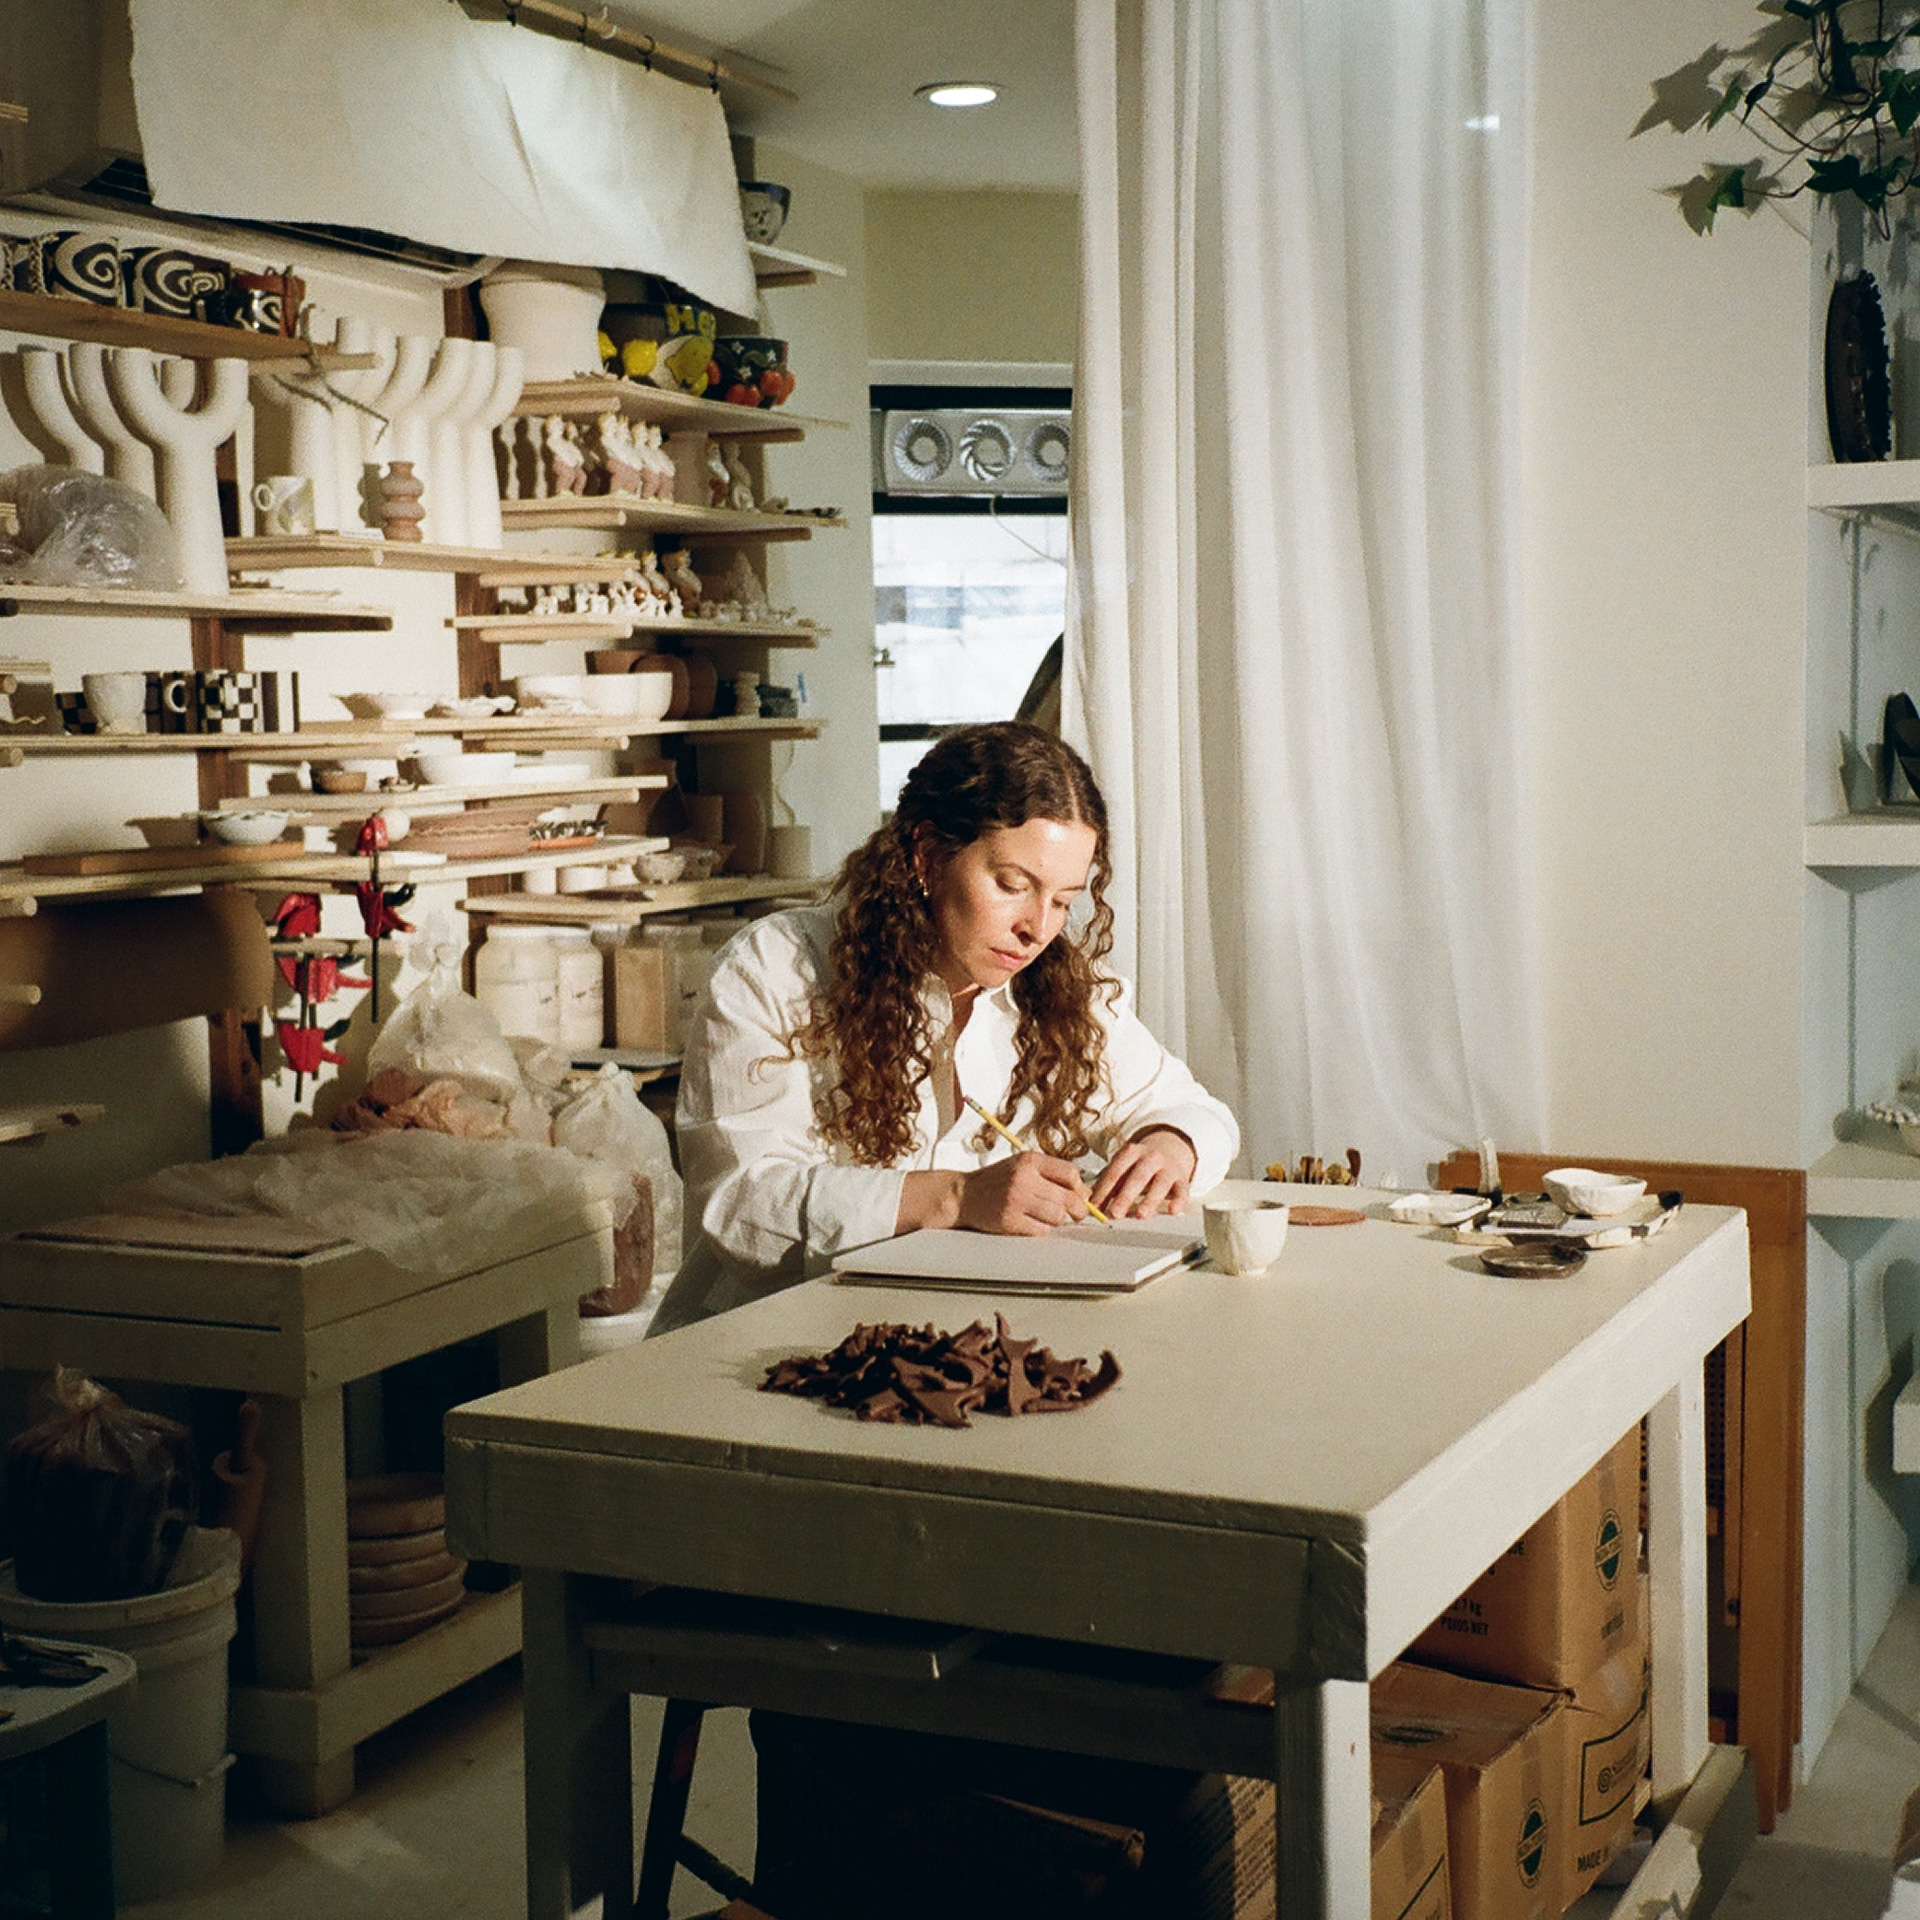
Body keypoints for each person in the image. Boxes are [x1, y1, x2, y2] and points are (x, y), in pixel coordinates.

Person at [649, 722, 1239, 1335]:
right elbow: (743, 1207)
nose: (1037, 928)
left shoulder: (1060, 990)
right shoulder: (776, 967)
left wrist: (1169, 1146)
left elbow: (1198, 1112)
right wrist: (956, 1197)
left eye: (1063, 900)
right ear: (927, 854)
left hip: (953, 1340)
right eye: (1013, 885)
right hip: (768, 1340)